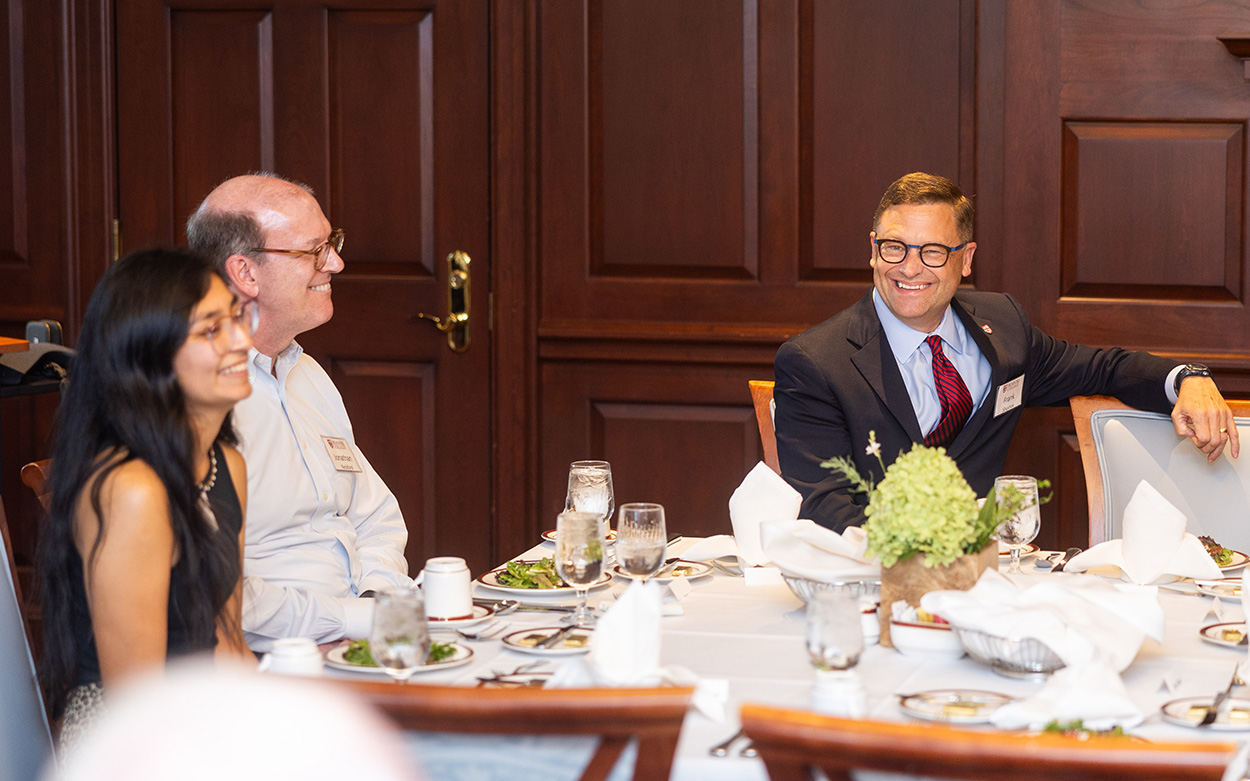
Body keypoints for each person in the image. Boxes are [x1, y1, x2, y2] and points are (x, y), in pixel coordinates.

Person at [774, 171, 1239, 533]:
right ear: (873, 250)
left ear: (967, 258)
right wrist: (932, 550)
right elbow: (821, 507)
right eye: (894, 247)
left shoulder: (1004, 329)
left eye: (933, 251)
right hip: (874, 590)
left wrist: (1188, 378)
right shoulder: (816, 361)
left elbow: (1101, 369)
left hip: (987, 585)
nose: (909, 268)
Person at [37, 248, 254, 748]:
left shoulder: (226, 465)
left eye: (236, 317)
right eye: (210, 329)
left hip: (199, 722)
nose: (242, 340)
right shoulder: (132, 490)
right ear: (150, 357)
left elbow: (226, 641)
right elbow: (137, 705)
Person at [186, 173, 411, 651]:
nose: (336, 262)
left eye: (333, 243)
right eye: (314, 251)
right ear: (246, 273)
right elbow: (223, 597)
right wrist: (354, 618)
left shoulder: (305, 373)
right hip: (271, 658)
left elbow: (376, 517)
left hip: (359, 636)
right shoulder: (197, 401)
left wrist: (377, 598)